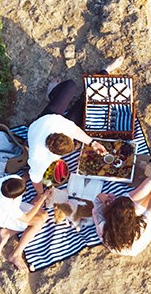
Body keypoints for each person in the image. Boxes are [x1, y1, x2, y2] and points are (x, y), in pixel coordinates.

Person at [24, 56, 126, 194]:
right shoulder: (38, 156)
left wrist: (93, 142)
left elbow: (74, 130)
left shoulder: (60, 125)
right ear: (51, 150)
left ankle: (104, 71)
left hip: (50, 116)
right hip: (43, 123)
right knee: (81, 105)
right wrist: (41, 194)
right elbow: (35, 178)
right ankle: (104, 71)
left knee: (71, 86)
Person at [0, 173, 53, 272]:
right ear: (13, 198)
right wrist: (42, 198)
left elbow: (22, 179)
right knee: (38, 222)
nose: (25, 191)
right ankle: (16, 254)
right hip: (3, 217)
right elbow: (26, 218)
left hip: (0, 208)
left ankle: (8, 232)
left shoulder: (10, 180)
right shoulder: (8, 205)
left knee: (44, 215)